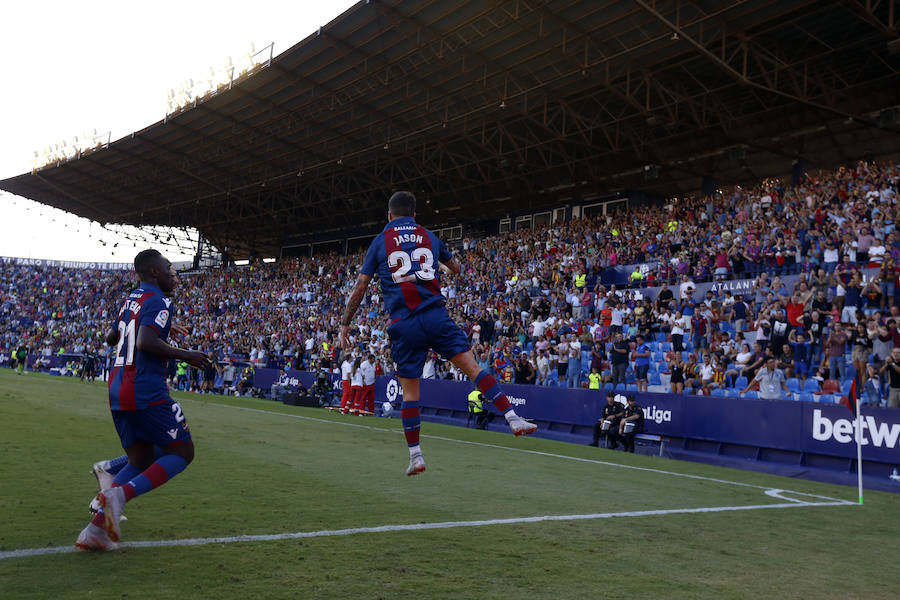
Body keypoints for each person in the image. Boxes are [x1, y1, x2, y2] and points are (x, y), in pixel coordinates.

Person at [339, 191, 536, 476]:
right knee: (473, 369)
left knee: (410, 392)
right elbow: (456, 268)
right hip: (435, 316)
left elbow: (360, 288)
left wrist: (345, 323)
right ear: (415, 214)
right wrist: (437, 264)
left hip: (404, 324)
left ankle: (416, 455)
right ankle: (513, 417)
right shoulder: (430, 237)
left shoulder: (380, 242)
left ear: (389, 215)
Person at [76, 249, 210, 551]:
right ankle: (118, 495)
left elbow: (113, 338)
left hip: (117, 387)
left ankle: (95, 530)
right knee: (182, 452)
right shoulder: (160, 301)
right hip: (145, 388)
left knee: (142, 458)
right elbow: (145, 341)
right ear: (153, 273)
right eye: (168, 268)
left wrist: (158, 329)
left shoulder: (131, 299)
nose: (173, 274)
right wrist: (186, 354)